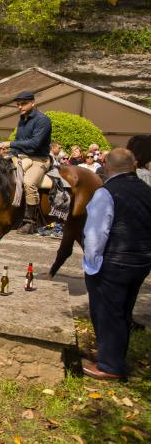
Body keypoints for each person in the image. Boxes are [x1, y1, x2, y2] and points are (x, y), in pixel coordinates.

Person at [81, 148, 151, 380]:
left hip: (114, 261)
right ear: (133, 165)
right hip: (140, 261)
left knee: (107, 312)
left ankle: (110, 366)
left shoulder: (106, 192)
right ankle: (111, 355)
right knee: (123, 311)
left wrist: (92, 264)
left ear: (107, 166)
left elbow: (95, 234)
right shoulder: (146, 190)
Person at [0, 91, 52, 234]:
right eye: (18, 105)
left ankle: (30, 222)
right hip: (22, 156)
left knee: (29, 183)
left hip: (39, 159)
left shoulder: (43, 120)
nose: (19, 107)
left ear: (32, 103)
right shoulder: (22, 119)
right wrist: (9, 152)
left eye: (23, 104)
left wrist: (10, 143)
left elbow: (35, 144)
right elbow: (20, 142)